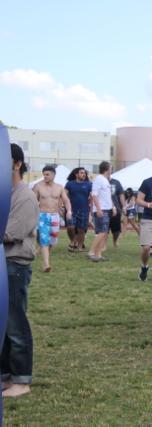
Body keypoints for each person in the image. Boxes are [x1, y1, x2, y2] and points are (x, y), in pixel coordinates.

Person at [2, 144, 39, 397]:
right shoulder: (7, 194)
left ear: (17, 164)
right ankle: (6, 376)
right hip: (4, 264)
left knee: (15, 324)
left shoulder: (25, 196)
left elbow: (8, 234)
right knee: (3, 324)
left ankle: (22, 381)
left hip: (14, 266)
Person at [32, 165, 72, 272]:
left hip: (55, 216)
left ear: (54, 175)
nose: (45, 176)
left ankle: (40, 251)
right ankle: (46, 264)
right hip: (42, 216)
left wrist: (69, 211)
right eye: (44, 174)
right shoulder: (38, 186)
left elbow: (66, 200)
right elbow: (32, 202)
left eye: (47, 174)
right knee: (44, 239)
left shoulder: (59, 187)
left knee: (52, 240)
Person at [87, 161, 113, 262]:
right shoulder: (99, 179)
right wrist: (98, 209)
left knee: (104, 232)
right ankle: (92, 252)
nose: (111, 170)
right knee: (102, 232)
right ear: (106, 169)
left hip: (106, 209)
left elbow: (106, 196)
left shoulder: (105, 180)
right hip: (101, 209)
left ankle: (98, 254)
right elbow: (94, 195)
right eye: (111, 168)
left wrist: (112, 207)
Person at [64, 167, 92, 252]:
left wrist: (91, 212)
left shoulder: (89, 184)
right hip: (72, 210)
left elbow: (92, 198)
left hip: (84, 210)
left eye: (84, 173)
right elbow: (64, 196)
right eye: (81, 173)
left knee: (81, 230)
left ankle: (80, 247)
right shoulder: (69, 184)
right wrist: (62, 206)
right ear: (76, 174)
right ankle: (73, 240)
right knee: (70, 227)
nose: (84, 174)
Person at [108, 177, 125, 248]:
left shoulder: (116, 182)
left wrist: (124, 206)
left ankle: (115, 241)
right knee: (104, 228)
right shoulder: (101, 181)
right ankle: (103, 244)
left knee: (116, 229)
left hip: (116, 209)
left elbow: (121, 194)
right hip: (105, 208)